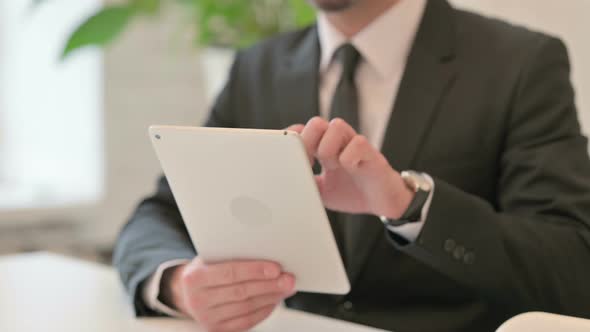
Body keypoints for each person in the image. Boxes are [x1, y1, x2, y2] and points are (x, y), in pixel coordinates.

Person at [113, 0, 590, 331]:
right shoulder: (255, 69)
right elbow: (155, 216)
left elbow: (571, 267)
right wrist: (176, 283)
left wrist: (409, 204)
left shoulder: (521, 65)